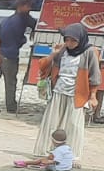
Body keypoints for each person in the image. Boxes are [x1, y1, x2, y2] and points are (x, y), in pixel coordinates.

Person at [37, 24, 102, 157]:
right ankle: (48, 151)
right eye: (67, 39)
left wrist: (93, 96)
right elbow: (43, 66)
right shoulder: (62, 50)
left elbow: (95, 76)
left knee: (73, 125)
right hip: (58, 92)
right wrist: (53, 54)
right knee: (53, 122)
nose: (69, 43)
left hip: (77, 94)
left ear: (81, 39)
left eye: (73, 40)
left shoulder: (90, 52)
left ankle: (70, 154)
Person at [0, 0, 36, 114]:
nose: (30, 9)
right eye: (28, 6)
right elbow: (34, 27)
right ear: (21, 7)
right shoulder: (23, 19)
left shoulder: (6, 20)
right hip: (10, 56)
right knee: (10, 83)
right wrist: (25, 39)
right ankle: (11, 107)